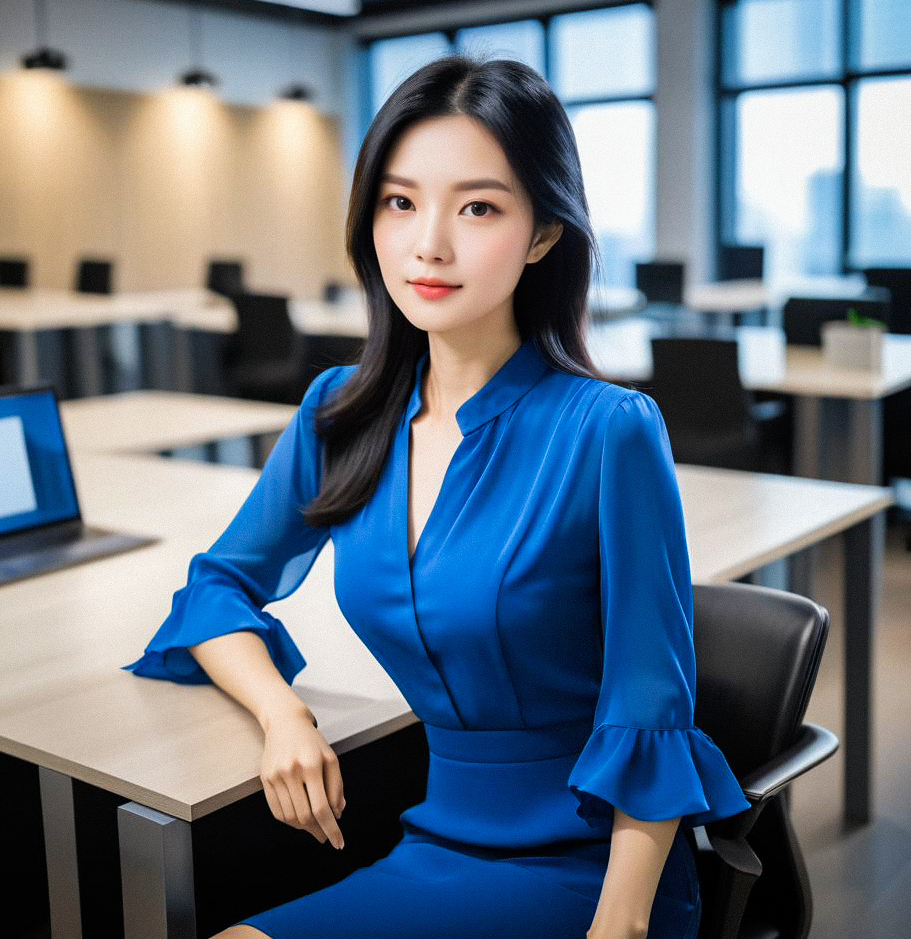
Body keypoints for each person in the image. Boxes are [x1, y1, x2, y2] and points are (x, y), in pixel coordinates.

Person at [123, 55, 751, 939]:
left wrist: (622, 925)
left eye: (479, 207)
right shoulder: (340, 415)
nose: (429, 244)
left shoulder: (608, 430)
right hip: (434, 836)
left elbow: (651, 702)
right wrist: (282, 713)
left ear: (543, 234)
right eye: (400, 201)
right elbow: (217, 590)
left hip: (593, 866)